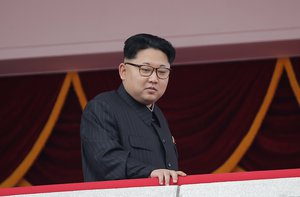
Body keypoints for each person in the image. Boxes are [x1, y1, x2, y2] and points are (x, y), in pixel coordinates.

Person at [80, 33, 186, 185]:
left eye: (162, 72)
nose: (154, 79)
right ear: (123, 71)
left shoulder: (158, 115)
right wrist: (149, 173)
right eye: (145, 69)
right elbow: (105, 159)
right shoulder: (101, 107)